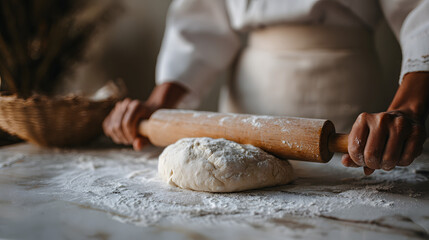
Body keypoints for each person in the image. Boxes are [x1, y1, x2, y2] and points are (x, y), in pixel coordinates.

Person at [103, 0, 429, 175]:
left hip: (351, 105)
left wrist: (407, 108)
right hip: (248, 101)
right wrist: (160, 103)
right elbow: (201, 15)